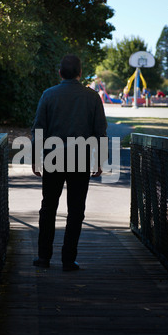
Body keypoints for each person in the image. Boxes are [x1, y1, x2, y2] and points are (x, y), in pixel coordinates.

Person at [31, 54, 107, 271]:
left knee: (48, 207)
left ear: (60, 73)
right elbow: (100, 131)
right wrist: (99, 160)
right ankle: (68, 259)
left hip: (52, 159)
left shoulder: (48, 95)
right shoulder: (92, 98)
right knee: (76, 210)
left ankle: (43, 257)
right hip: (80, 159)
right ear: (80, 73)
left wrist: (36, 157)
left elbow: (39, 129)